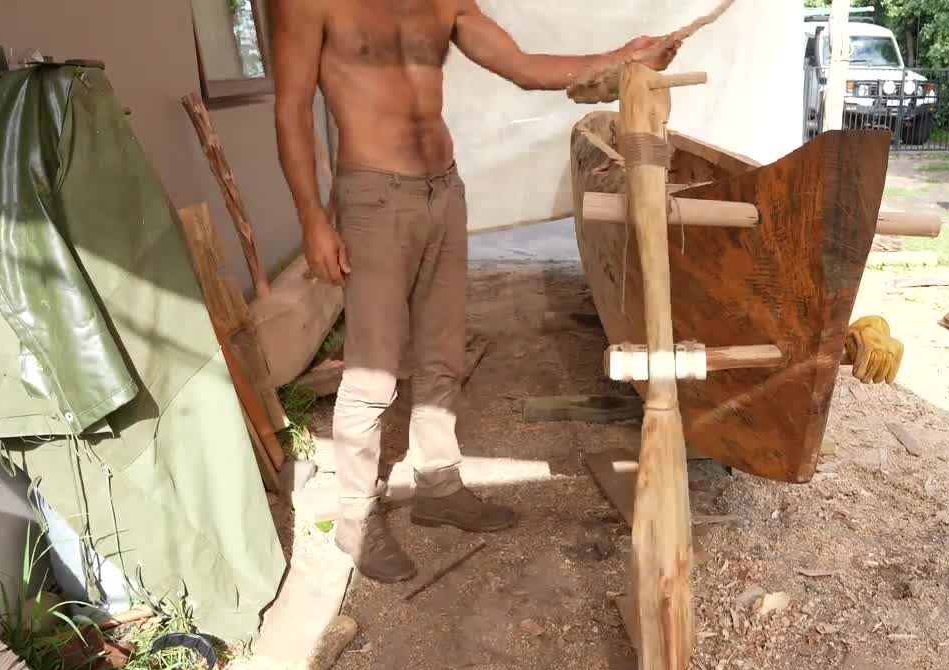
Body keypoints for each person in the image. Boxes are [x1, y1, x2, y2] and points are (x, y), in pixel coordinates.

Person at [269, 0, 681, 583]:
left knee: (442, 354)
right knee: (373, 371)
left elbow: (523, 65)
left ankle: (438, 486)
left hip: (444, 189)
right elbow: (290, 111)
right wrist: (312, 217)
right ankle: (355, 517)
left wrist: (623, 59)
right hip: (373, 196)